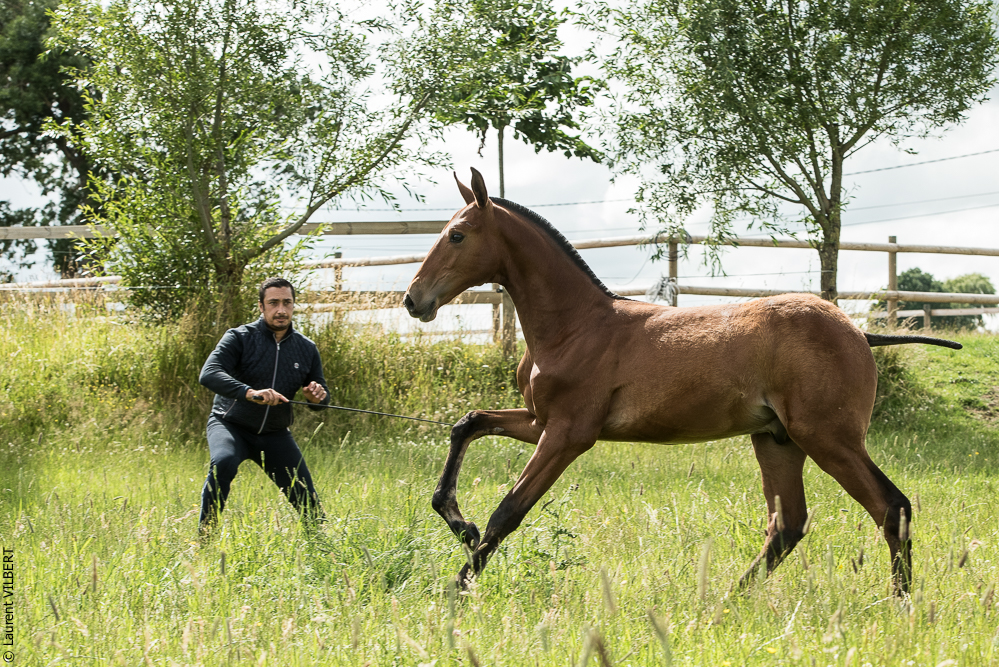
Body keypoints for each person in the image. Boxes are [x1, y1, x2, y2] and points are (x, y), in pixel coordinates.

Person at [198, 277, 330, 535]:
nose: (281, 309)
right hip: (230, 425)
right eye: (273, 303)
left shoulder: (306, 349)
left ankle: (323, 551)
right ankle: (205, 539)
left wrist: (317, 398)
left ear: (293, 306)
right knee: (223, 462)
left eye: (287, 303)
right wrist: (249, 392)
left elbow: (321, 402)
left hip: (274, 434)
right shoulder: (238, 337)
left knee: (309, 503)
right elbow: (209, 373)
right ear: (261, 306)